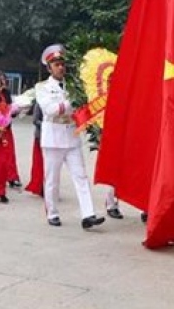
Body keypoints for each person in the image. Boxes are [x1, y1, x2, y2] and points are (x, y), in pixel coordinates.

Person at [36, 44, 105, 230]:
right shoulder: (42, 87)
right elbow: (49, 110)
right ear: (49, 68)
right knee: (52, 179)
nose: (61, 67)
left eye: (62, 64)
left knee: (81, 176)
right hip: (53, 139)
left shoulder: (75, 85)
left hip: (71, 136)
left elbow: (82, 106)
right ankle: (52, 213)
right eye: (56, 64)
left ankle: (88, 214)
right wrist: (69, 103)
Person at [24, 99, 45, 197]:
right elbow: (35, 120)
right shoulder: (39, 103)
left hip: (53, 138)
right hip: (40, 137)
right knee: (39, 163)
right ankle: (40, 186)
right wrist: (47, 125)